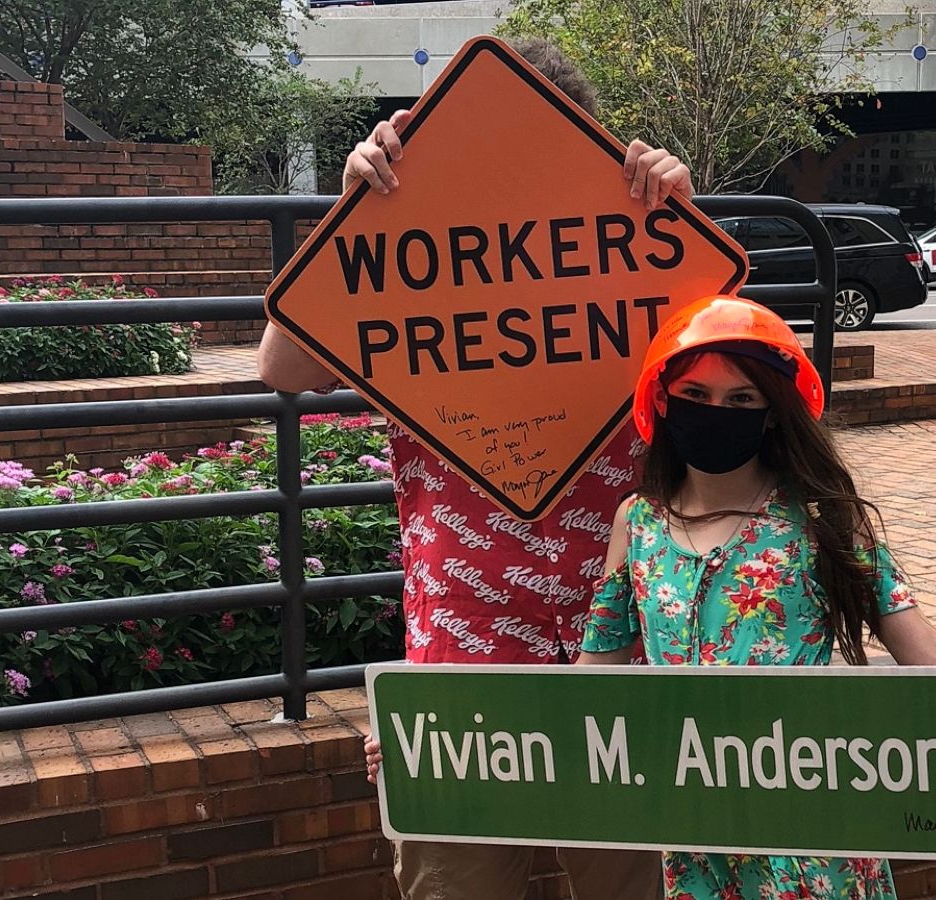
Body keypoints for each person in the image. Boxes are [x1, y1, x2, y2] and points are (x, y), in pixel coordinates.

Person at [257, 37, 680, 900]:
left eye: (546, 139)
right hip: (464, 658)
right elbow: (284, 369)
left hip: (622, 651)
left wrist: (677, 225)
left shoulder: (629, 240)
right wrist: (353, 224)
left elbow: (738, 379)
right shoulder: (407, 247)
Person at [570, 295, 936, 899]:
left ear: (773, 411)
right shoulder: (638, 523)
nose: (714, 412)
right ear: (663, 401)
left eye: (741, 399)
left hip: (810, 826)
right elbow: (593, 676)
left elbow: (931, 655)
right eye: (695, 395)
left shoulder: (821, 519)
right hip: (696, 833)